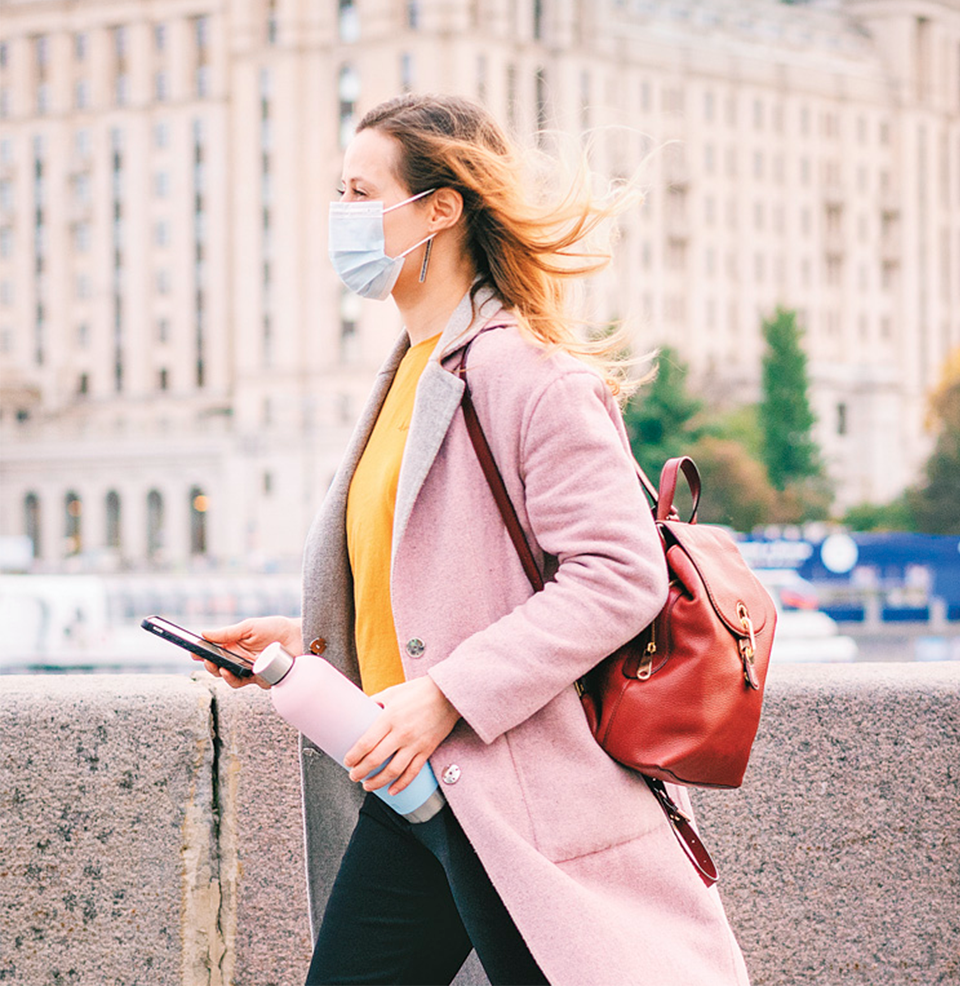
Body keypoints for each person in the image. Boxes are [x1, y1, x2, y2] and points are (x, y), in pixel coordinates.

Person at [198, 93, 750, 986]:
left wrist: (448, 693)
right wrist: (306, 648)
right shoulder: (409, 370)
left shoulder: (527, 372)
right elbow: (430, 584)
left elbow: (619, 576)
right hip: (416, 786)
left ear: (440, 208)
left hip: (512, 791)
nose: (341, 215)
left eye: (360, 190)